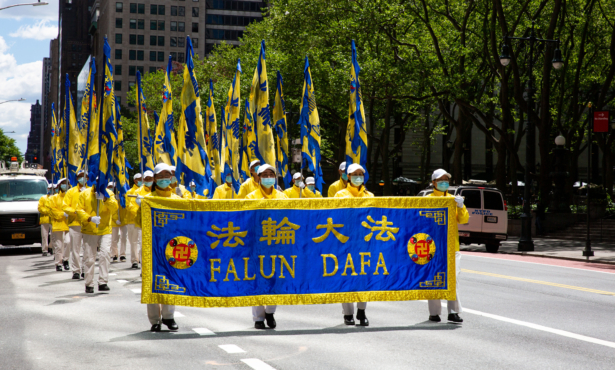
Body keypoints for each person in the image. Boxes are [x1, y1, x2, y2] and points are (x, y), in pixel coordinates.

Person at [135, 163, 180, 332]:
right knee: (152, 281)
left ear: (171, 178)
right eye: (159, 177)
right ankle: (154, 319)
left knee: (171, 279)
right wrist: (141, 208)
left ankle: (169, 316)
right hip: (151, 246)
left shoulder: (176, 200)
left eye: (166, 176)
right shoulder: (147, 199)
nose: (163, 180)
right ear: (154, 179)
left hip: (173, 246)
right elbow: (139, 223)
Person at [246, 164, 288, 329]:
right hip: (257, 245)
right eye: (265, 174)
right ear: (258, 176)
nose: (269, 177)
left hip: (278, 244)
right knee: (258, 280)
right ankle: (258, 317)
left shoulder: (283, 197)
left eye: (272, 174)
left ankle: (270, 312)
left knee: (275, 279)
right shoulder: (251, 197)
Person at [426, 168, 468, 323]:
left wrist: (461, 206)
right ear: (434, 182)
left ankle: (453, 311)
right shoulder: (427, 200)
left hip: (452, 247)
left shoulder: (453, 200)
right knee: (433, 279)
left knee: (453, 279)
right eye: (440, 179)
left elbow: (463, 220)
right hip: (432, 247)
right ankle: (434, 312)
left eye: (446, 179)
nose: (444, 182)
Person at [334, 163, 373, 326]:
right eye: (354, 174)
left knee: (364, 278)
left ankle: (362, 311)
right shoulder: (340, 195)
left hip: (365, 243)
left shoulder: (370, 196)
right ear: (348, 176)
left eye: (360, 173)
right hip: (346, 243)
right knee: (346, 278)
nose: (358, 176)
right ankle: (348, 313)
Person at [76, 181, 118, 293]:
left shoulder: (109, 193)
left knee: (105, 254)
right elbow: (79, 210)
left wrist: (106, 198)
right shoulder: (84, 194)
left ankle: (103, 282)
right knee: (89, 258)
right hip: (89, 229)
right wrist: (89, 218)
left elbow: (114, 207)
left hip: (105, 229)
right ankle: (89, 284)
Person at [62, 170, 88, 279]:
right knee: (75, 249)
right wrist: (75, 211)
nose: (83, 178)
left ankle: (85, 269)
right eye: (80, 176)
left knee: (87, 249)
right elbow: (65, 206)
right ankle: (76, 270)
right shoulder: (71, 192)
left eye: (84, 176)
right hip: (75, 223)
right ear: (77, 178)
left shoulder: (91, 191)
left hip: (87, 223)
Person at [127, 170, 154, 269]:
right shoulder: (137, 192)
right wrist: (141, 209)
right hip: (142, 222)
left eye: (150, 178)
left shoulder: (157, 190)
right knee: (143, 246)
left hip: (156, 222)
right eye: (146, 179)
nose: (148, 180)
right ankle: (144, 269)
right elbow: (131, 206)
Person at [48, 178, 70, 272]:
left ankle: (66, 259)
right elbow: (52, 210)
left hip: (68, 224)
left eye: (66, 184)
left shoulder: (69, 197)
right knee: (58, 245)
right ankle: (58, 263)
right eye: (63, 183)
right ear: (59, 185)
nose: (65, 185)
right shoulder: (53, 198)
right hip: (57, 225)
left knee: (68, 243)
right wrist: (62, 214)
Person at [109, 182, 128, 262]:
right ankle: (114, 254)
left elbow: (125, 208)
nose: (111, 188)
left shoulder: (122, 196)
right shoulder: (109, 196)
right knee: (114, 239)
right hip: (113, 221)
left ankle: (122, 254)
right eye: (110, 186)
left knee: (124, 238)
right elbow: (111, 210)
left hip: (123, 220)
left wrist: (121, 199)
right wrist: (115, 218)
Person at [125, 173, 142, 264]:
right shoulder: (130, 192)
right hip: (132, 220)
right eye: (139, 179)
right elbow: (129, 206)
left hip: (143, 220)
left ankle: (141, 258)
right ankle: (135, 260)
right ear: (135, 181)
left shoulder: (145, 190)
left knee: (142, 242)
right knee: (133, 241)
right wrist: (138, 213)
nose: (141, 181)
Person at [38, 183, 52, 256]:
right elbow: (40, 208)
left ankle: (51, 247)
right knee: (44, 235)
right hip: (44, 219)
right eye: (50, 188)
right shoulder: (43, 198)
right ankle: (44, 250)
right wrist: (47, 211)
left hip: (53, 219)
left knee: (53, 235)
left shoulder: (55, 197)